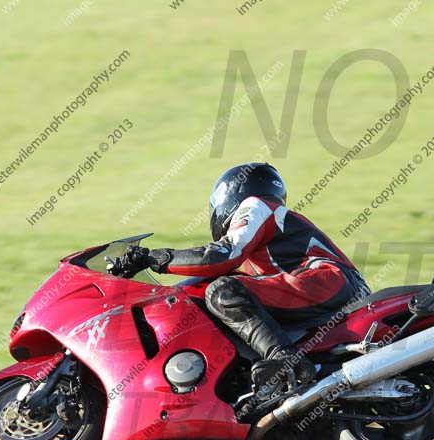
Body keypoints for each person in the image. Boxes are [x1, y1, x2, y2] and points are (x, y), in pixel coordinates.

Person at [117, 162, 370, 397]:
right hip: (335, 287)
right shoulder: (269, 237)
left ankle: (285, 361)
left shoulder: (256, 206)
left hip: (327, 280)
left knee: (223, 292)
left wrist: (153, 258)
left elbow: (221, 255)